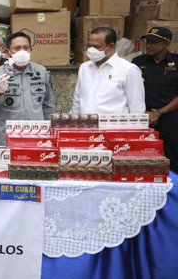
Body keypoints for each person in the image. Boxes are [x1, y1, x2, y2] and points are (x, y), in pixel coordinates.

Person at [0, 31, 55, 146]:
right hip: (8, 137)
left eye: (26, 48)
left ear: (30, 50)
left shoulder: (41, 72)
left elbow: (48, 105)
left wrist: (49, 132)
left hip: (37, 136)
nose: (22, 51)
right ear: (7, 52)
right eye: (17, 48)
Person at [132, 27, 178, 173]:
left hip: (169, 118)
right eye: (148, 41)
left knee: (174, 159)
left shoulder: (176, 63)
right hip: (142, 118)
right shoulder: (137, 62)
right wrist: (142, 113)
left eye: (154, 42)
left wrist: (158, 113)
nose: (149, 45)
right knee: (138, 158)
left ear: (167, 44)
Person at [71, 27, 145, 115]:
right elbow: (77, 101)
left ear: (111, 46)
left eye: (96, 47)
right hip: (86, 126)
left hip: (115, 127)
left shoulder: (128, 70)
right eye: (89, 46)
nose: (91, 50)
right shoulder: (84, 68)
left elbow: (137, 108)